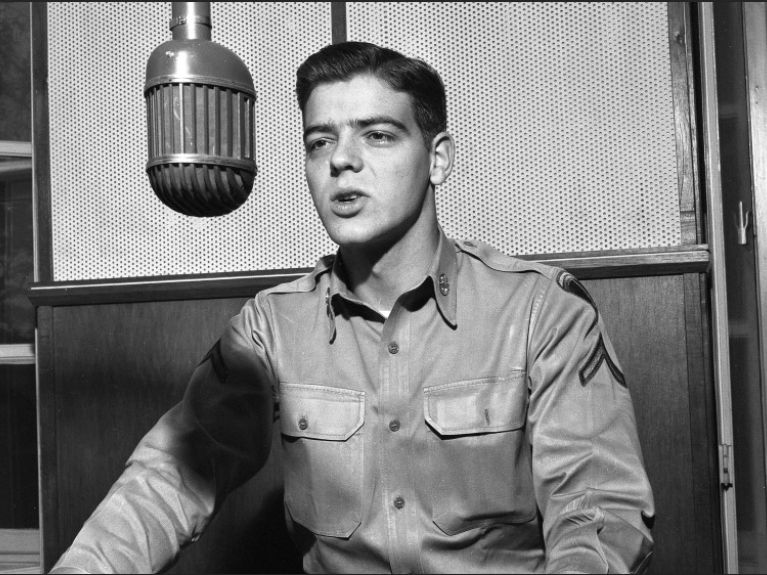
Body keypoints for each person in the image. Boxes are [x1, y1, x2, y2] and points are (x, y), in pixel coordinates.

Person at [51, 41, 655, 574]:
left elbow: (596, 511)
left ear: (437, 157)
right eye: (320, 141)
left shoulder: (542, 310)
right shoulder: (271, 327)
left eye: (378, 134)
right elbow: (170, 477)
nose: (342, 160)